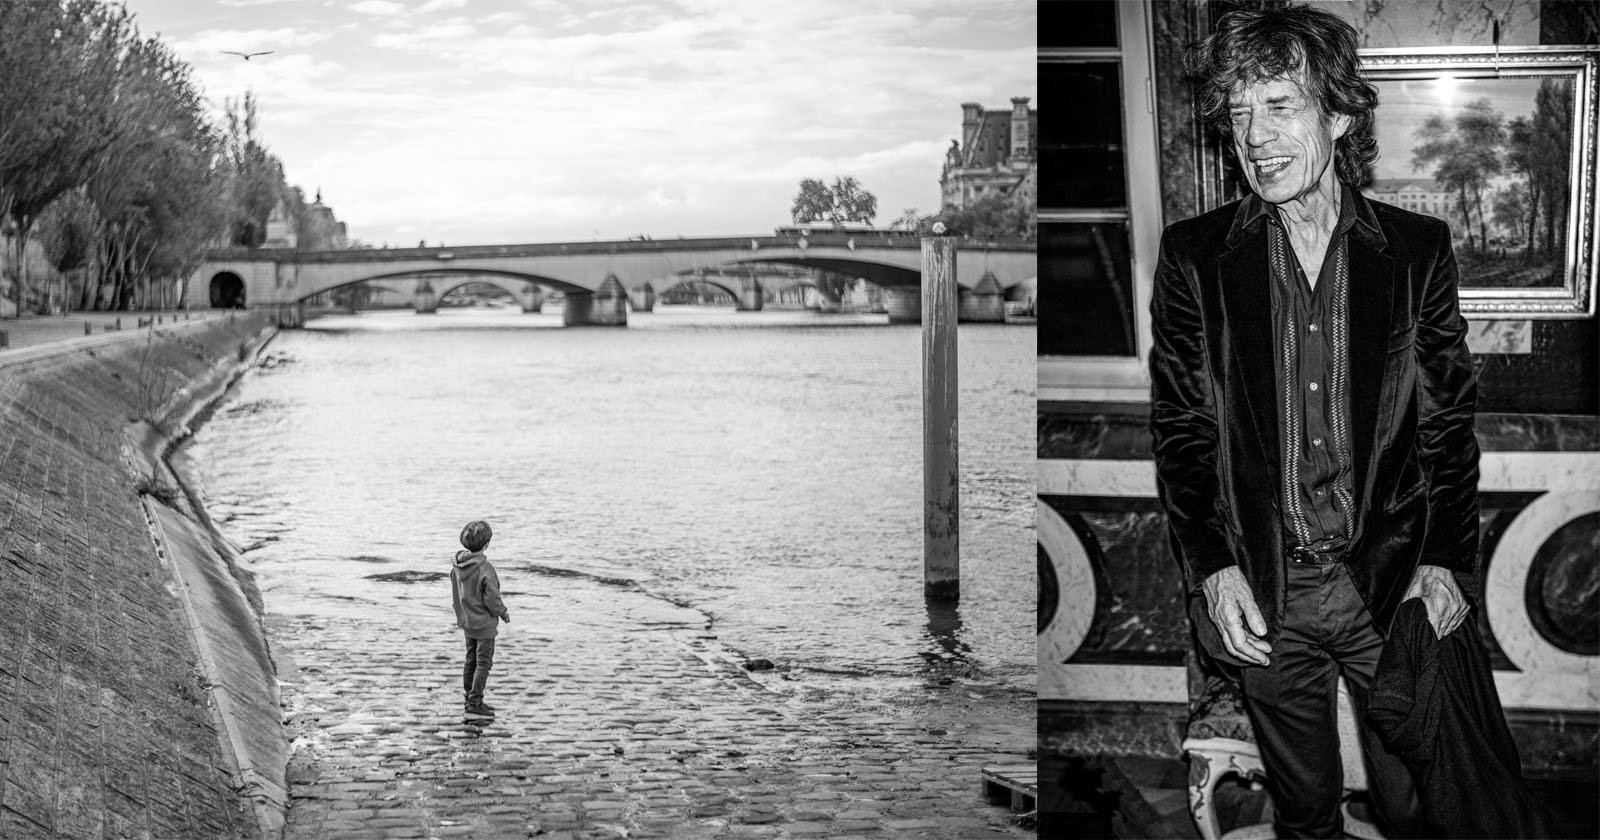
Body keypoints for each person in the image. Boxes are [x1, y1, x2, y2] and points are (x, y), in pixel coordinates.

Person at [1149, 5, 1481, 837]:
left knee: (1416, 805)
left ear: (1336, 114)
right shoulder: (1196, 258)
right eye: (1238, 112)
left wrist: (1444, 561)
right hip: (1267, 592)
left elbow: (1447, 424)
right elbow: (1183, 430)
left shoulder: (1414, 250)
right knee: (1303, 811)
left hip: (1390, 583)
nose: (1254, 136)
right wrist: (1214, 569)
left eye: (1279, 105)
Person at [451, 520, 510, 721]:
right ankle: (475, 702)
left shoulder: (457, 566)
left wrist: (460, 615)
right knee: (483, 663)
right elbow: (492, 598)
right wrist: (503, 613)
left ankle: (469, 696)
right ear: (486, 545)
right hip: (484, 623)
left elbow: (455, 593)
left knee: (471, 660)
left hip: (467, 620)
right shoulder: (485, 568)